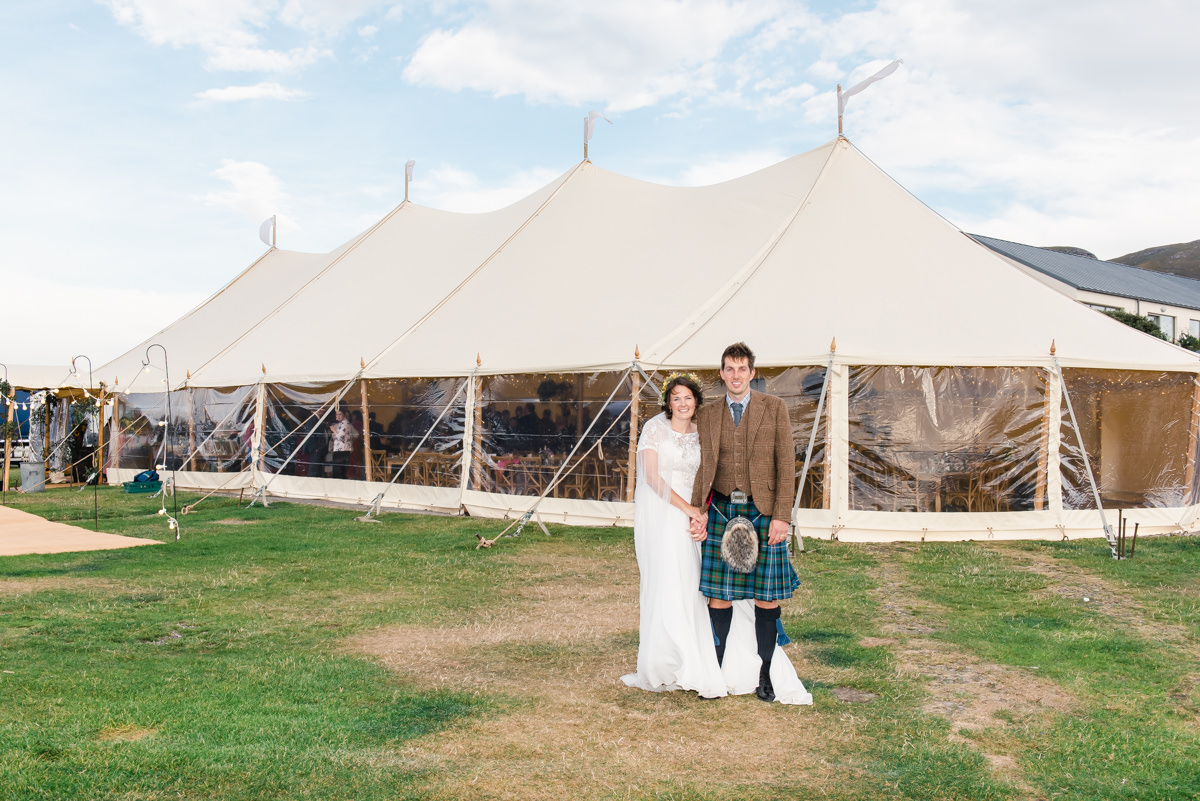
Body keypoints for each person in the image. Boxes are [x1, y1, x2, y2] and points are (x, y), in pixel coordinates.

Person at [690, 342, 812, 704]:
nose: (736, 375)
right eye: (729, 369)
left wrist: (782, 517)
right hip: (722, 510)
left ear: (752, 373)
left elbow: (786, 465)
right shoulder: (708, 414)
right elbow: (702, 467)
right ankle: (716, 668)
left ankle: (766, 672)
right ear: (722, 373)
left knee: (766, 598)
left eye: (742, 369)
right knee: (718, 598)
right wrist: (697, 511)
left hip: (764, 512)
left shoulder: (774, 408)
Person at [621, 373, 727, 699]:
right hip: (663, 515)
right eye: (676, 397)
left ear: (696, 402)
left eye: (688, 397)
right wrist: (688, 509)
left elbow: (709, 477)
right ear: (668, 402)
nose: (682, 403)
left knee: (689, 582)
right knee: (665, 580)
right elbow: (651, 478)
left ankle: (689, 658)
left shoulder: (702, 433)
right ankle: (660, 663)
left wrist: (702, 512)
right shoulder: (654, 429)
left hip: (691, 515)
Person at [329, 408, 356, 480]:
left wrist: (334, 431)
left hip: (342, 450)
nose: (337, 416)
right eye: (336, 414)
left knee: (339, 471)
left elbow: (341, 437)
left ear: (344, 415)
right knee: (338, 471)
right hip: (338, 449)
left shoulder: (345, 424)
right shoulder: (340, 424)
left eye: (340, 414)